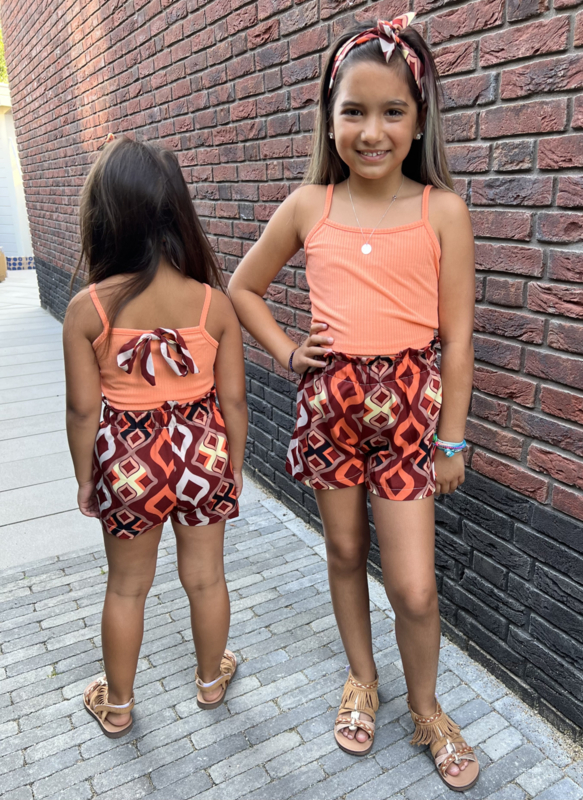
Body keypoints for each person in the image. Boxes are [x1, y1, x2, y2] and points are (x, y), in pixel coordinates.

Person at [229, 13, 478, 791]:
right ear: (329, 118)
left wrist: (453, 439)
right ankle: (362, 680)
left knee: (414, 587)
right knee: (342, 554)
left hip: (410, 430)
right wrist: (285, 351)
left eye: (392, 111)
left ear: (419, 119)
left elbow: (458, 341)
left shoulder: (442, 211)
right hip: (330, 418)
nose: (373, 132)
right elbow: (242, 287)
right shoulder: (310, 205)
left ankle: (427, 708)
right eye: (355, 112)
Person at [63, 137, 248, 738]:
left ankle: (117, 705)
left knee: (126, 588)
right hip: (203, 451)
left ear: (105, 218)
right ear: (178, 214)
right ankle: (210, 682)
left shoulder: (88, 310)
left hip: (129, 458)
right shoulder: (214, 305)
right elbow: (234, 400)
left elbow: (82, 410)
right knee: (206, 577)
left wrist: (87, 479)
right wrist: (234, 465)